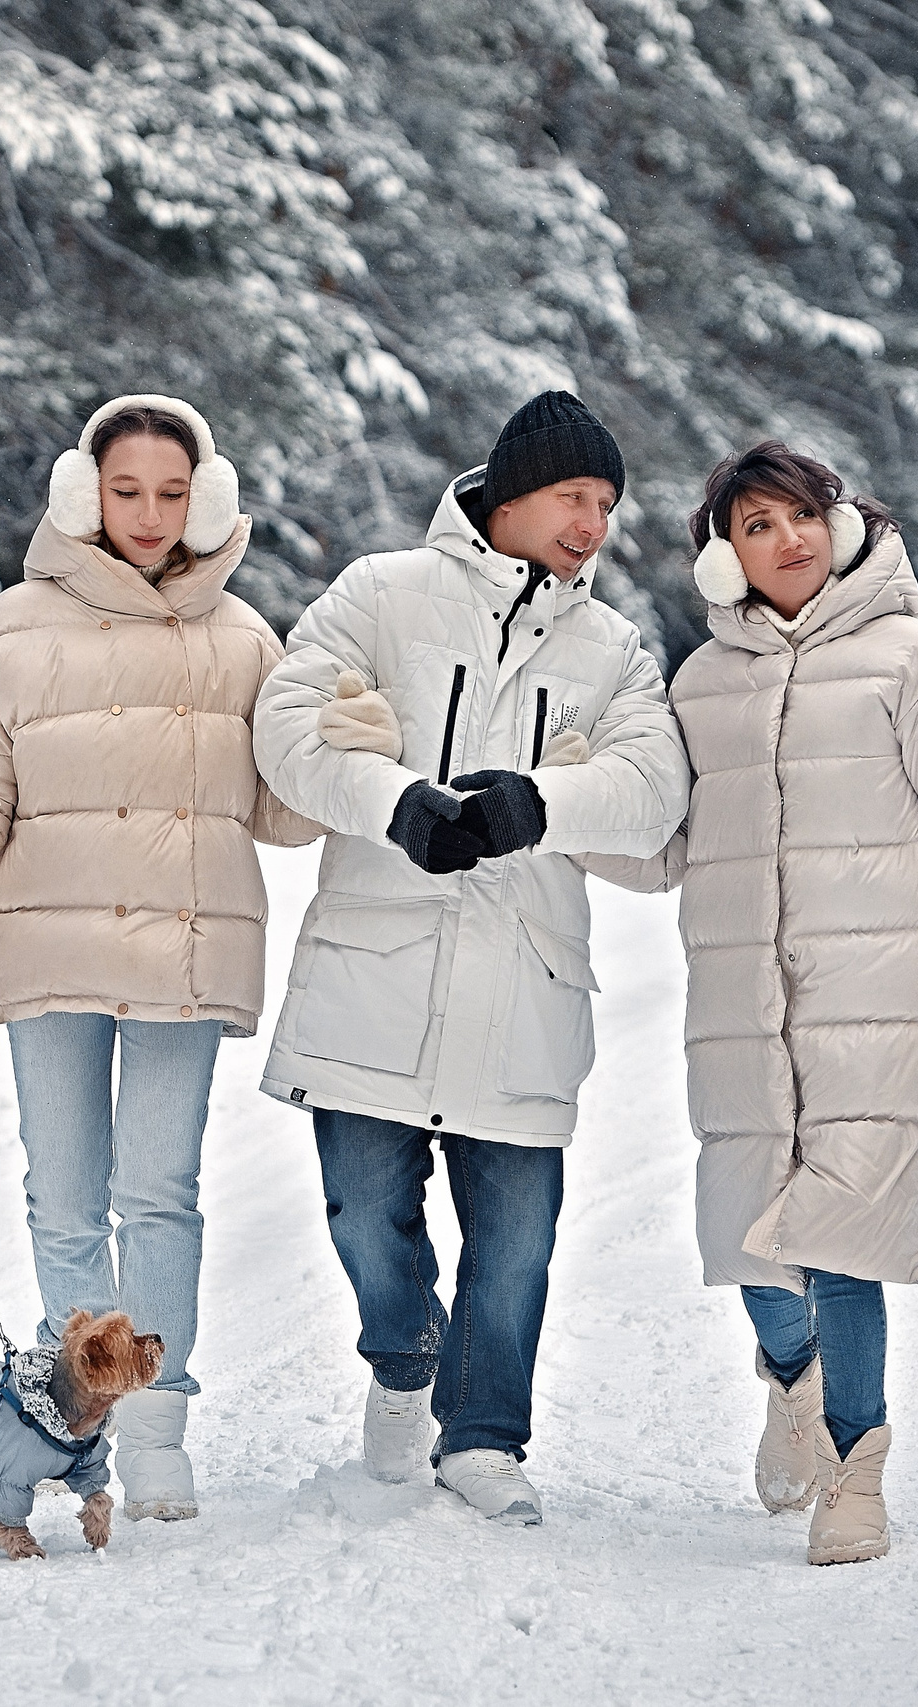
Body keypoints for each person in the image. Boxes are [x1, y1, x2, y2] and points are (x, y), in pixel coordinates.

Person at [0, 395, 320, 1522]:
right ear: (85, 492)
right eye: (126, 490)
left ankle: (154, 1433)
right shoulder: (11, 631)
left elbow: (283, 814)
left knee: (158, 1196)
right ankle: (79, 1418)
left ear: (203, 499)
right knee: (63, 1200)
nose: (149, 514)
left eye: (172, 492)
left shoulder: (242, 639)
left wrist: (337, 736)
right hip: (48, 947)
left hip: (185, 951)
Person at [585, 439, 918, 1565]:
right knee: (752, 1248)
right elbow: (665, 848)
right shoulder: (701, 684)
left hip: (881, 1005)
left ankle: (855, 1469)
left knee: (843, 1243)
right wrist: (574, 795)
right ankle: (793, 1379)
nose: (784, 539)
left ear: (837, 524)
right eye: (755, 526)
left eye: (799, 516)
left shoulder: (913, 660)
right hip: (745, 1009)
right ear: (721, 558)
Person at [250, 390, 691, 1525]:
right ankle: (404, 1358)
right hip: (375, 969)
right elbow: (286, 732)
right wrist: (396, 802)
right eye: (573, 496)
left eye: (607, 504)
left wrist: (540, 803)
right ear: (509, 492)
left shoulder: (613, 650)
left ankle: (483, 1437)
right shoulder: (381, 593)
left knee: (516, 1243)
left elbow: (654, 794)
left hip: (522, 983)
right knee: (364, 1217)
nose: (594, 524)